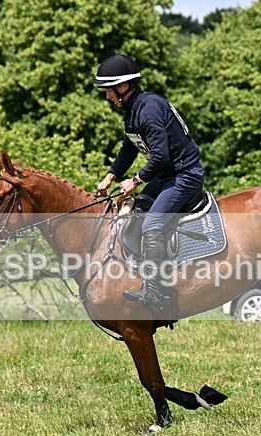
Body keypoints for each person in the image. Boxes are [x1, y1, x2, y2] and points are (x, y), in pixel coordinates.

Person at [91, 54, 205, 317]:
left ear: (123, 87)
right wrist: (111, 176)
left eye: (109, 91)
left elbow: (161, 156)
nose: (107, 97)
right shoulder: (134, 110)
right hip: (166, 176)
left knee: (152, 224)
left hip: (184, 176)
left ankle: (156, 294)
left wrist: (136, 180)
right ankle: (139, 275)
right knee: (136, 212)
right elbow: (129, 147)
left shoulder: (149, 108)